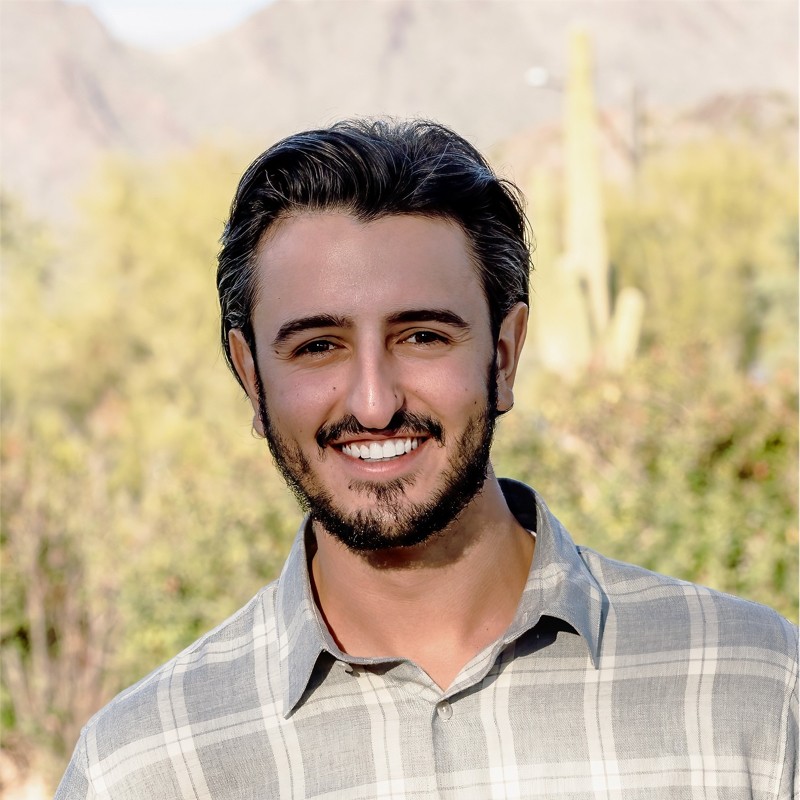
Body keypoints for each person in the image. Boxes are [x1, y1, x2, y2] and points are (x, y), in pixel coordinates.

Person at [56, 119, 797, 799]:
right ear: (251, 378)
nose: (374, 403)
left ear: (503, 355)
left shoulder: (757, 690)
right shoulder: (142, 767)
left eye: (422, 337)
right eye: (318, 346)